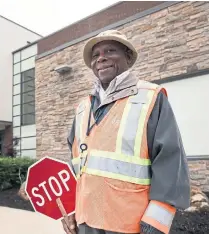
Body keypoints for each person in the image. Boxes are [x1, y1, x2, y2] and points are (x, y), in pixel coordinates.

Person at [63, 30, 191, 234]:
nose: (101, 58)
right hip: (87, 221)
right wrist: (70, 208)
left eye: (110, 51)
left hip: (130, 225)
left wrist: (156, 221)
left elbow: (170, 162)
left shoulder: (150, 98)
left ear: (128, 57)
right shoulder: (82, 108)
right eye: (95, 55)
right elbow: (76, 165)